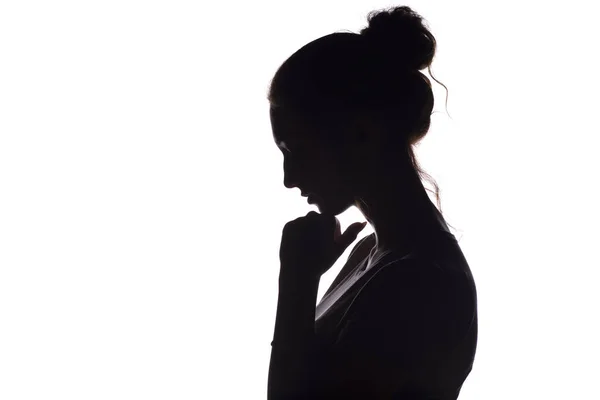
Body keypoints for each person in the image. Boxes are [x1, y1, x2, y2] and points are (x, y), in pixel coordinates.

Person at [267, 5, 477, 399]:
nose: (289, 178)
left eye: (297, 150)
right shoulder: (371, 254)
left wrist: (295, 282)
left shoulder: (420, 281)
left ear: (361, 132)